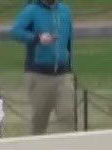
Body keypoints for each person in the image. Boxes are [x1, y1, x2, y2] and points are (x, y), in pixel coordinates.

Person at [10, 0, 75, 136]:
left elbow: (69, 41)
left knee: (68, 115)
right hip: (39, 74)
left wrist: (70, 67)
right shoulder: (31, 10)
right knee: (40, 120)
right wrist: (37, 38)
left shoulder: (65, 11)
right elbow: (15, 31)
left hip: (63, 74)